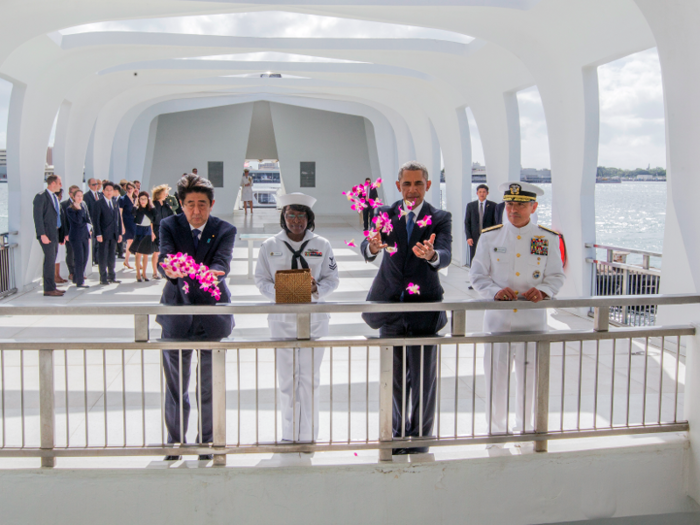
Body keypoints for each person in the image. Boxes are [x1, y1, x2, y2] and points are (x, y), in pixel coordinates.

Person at [361, 161, 452, 455]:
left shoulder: (440, 218)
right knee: (394, 380)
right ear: (398, 186)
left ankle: (421, 440)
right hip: (390, 308)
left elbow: (446, 253)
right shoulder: (385, 214)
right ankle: (397, 437)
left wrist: (432, 255)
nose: (412, 190)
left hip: (424, 309)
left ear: (427, 185)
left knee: (424, 379)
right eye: (407, 184)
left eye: (418, 184)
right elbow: (370, 246)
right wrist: (373, 247)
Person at [470, 181, 565, 441]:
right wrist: (494, 292)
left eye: (521, 204)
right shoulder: (490, 237)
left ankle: (527, 431)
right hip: (498, 322)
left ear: (533, 207)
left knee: (530, 381)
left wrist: (544, 290)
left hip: (532, 322)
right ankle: (496, 432)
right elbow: (477, 276)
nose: (514, 210)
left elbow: (556, 275)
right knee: (496, 380)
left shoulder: (546, 238)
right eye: (510, 204)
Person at [156, 173, 236, 461]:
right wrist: (170, 269)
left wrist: (216, 273)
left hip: (210, 316)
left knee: (208, 386)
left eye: (202, 204)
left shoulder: (225, 229)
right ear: (181, 203)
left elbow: (221, 262)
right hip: (177, 315)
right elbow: (165, 256)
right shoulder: (169, 224)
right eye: (190, 204)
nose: (196, 211)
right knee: (176, 386)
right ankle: (175, 442)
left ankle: (207, 442)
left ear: (212, 204)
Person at [254, 193, 339, 444]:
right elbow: (261, 280)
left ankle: (309, 434)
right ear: (283, 216)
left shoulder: (322, 244)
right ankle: (289, 435)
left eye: (301, 215)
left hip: (314, 318)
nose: (295, 220)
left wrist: (315, 291)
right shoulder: (269, 245)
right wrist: (284, 293)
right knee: (287, 380)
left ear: (309, 218)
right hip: (281, 319)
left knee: (310, 379)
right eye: (290, 214)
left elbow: (332, 280)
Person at [33, 174, 65, 296]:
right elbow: (38, 217)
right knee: (49, 260)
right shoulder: (41, 197)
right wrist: (42, 234)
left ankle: (52, 286)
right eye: (59, 183)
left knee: (52, 260)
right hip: (47, 234)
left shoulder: (54, 197)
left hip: (55, 233)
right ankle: (48, 289)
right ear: (53, 183)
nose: (61, 185)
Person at [93, 181, 123, 285]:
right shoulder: (99, 203)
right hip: (103, 234)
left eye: (111, 190)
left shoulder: (114, 202)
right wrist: (98, 234)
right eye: (107, 190)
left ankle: (112, 276)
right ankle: (103, 277)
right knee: (103, 256)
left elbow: (117, 219)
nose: (109, 192)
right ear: (103, 191)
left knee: (112, 256)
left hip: (113, 234)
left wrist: (119, 233)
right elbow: (96, 220)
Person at [464, 184, 496, 268]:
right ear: (477, 193)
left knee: (487, 256)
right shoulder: (471, 206)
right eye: (480, 192)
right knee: (474, 256)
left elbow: (495, 222)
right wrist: (468, 237)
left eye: (484, 192)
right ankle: (473, 273)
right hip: (474, 237)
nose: (482, 194)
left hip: (488, 237)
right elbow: (467, 222)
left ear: (487, 193)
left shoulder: (493, 206)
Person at [65, 190, 91, 288]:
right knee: (79, 258)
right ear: (74, 197)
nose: (80, 198)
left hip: (84, 235)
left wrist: (89, 231)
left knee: (85, 257)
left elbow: (87, 219)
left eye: (81, 196)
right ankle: (80, 281)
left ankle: (76, 277)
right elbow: (78, 221)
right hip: (76, 236)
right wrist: (79, 210)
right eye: (78, 196)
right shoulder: (70, 209)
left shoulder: (84, 206)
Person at [132, 191, 156, 282]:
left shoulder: (150, 209)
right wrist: (135, 203)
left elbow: (153, 218)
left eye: (145, 199)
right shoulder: (137, 209)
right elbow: (133, 213)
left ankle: (144, 273)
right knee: (138, 253)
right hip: (139, 230)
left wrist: (152, 232)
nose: (143, 201)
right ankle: (138, 273)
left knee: (146, 253)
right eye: (141, 199)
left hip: (148, 230)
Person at [152, 184, 174, 280]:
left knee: (163, 252)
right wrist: (152, 232)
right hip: (155, 230)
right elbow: (150, 219)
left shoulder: (166, 205)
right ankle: (154, 272)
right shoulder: (152, 205)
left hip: (165, 230)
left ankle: (162, 271)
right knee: (156, 252)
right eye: (165, 192)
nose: (166, 194)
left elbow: (171, 216)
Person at [60, 185, 81, 282]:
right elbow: (63, 220)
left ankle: (78, 273)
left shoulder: (82, 204)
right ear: (69, 194)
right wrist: (65, 234)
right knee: (70, 253)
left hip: (80, 233)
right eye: (73, 193)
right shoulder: (64, 204)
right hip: (69, 233)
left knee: (79, 253)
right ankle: (72, 272)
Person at [119, 182, 136, 268]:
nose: (129, 190)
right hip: (127, 222)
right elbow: (120, 213)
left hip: (134, 222)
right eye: (128, 188)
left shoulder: (134, 198)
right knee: (130, 241)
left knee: (133, 241)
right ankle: (127, 261)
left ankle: (127, 261)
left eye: (131, 188)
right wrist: (122, 225)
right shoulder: (122, 199)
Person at [85, 178, 101, 265]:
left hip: (100, 222)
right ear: (89, 186)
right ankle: (91, 259)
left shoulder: (100, 195)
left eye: (96, 184)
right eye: (93, 184)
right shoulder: (86, 196)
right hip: (91, 222)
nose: (96, 186)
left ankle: (98, 259)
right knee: (92, 242)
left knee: (99, 242)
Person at [55, 188, 68, 285]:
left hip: (60, 233)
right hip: (55, 234)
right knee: (55, 256)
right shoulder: (55, 204)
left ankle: (57, 275)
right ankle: (55, 276)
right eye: (60, 194)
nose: (61, 196)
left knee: (59, 256)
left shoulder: (59, 204)